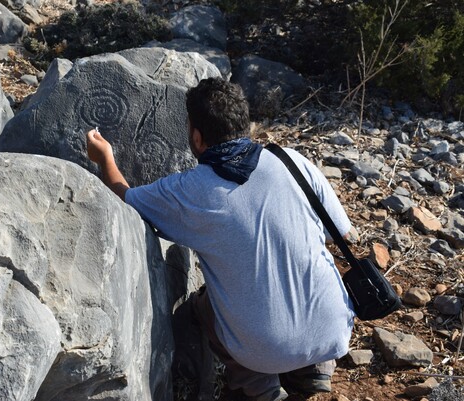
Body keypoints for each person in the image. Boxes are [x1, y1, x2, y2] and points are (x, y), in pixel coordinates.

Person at [86, 77, 357, 401]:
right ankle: (314, 368)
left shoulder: (193, 189)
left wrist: (105, 159)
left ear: (197, 137)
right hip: (336, 327)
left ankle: (259, 389)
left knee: (199, 310)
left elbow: (126, 199)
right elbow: (343, 233)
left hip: (263, 347)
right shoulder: (293, 161)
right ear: (245, 125)